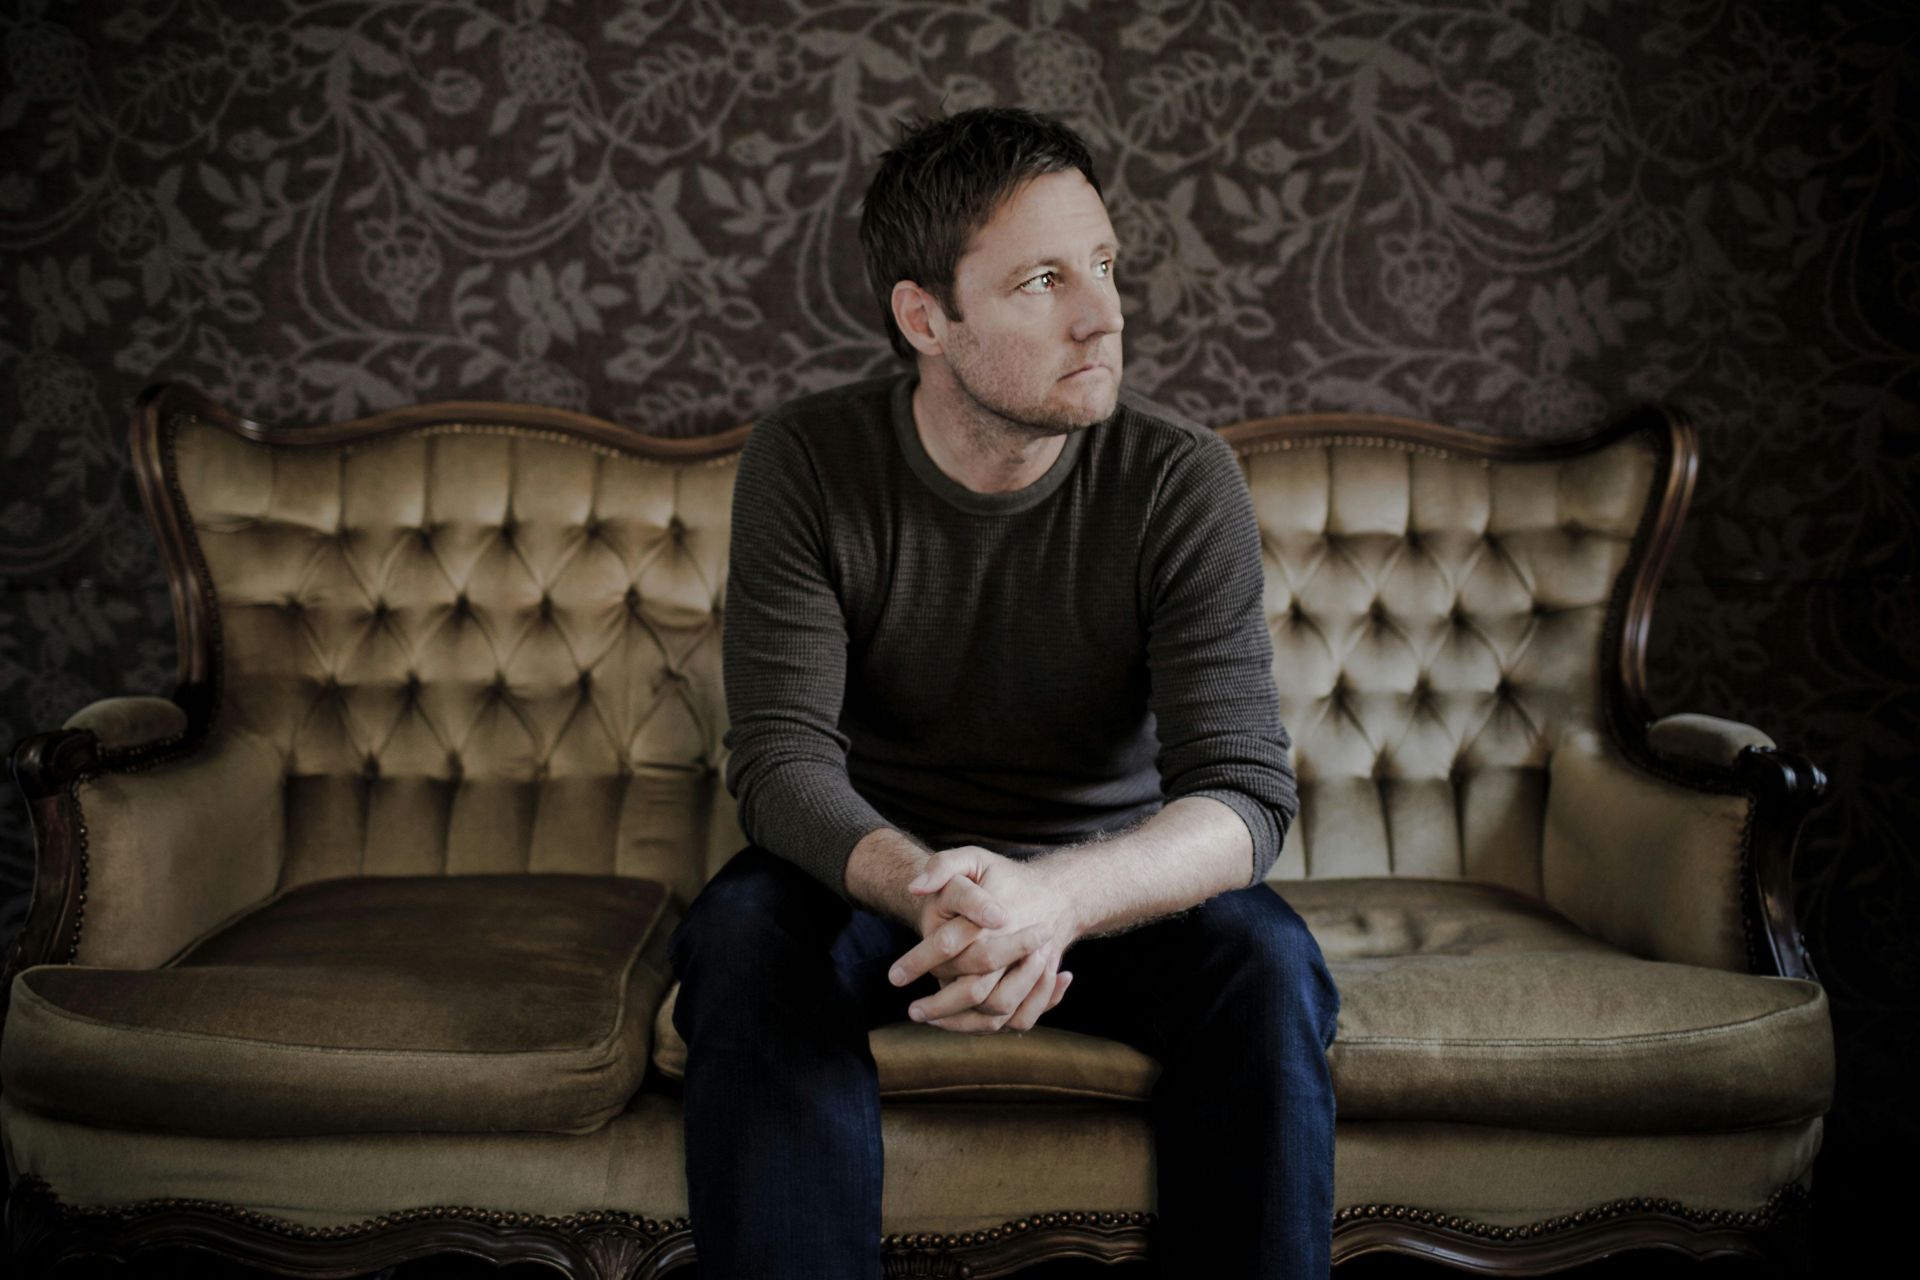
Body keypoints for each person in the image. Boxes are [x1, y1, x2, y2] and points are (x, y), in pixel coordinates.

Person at [667, 106, 1340, 1279]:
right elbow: (779, 763)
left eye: (1104, 265)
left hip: (1109, 884)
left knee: (1270, 960)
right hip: (882, 882)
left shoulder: (1181, 477)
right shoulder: (809, 461)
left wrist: (1055, 900)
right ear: (927, 316)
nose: (1104, 312)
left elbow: (1243, 796)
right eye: (1041, 279)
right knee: (738, 934)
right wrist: (933, 893)